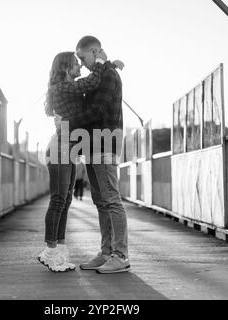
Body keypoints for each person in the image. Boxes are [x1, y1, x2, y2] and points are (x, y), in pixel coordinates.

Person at [37, 50, 117, 272]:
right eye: (75, 64)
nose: (79, 67)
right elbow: (91, 82)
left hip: (69, 148)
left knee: (66, 200)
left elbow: (89, 83)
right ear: (64, 68)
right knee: (58, 200)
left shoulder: (67, 87)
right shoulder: (62, 87)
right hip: (60, 147)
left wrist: (110, 64)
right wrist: (102, 61)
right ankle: (49, 250)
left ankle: (59, 251)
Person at [59, 36, 130, 274]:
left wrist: (67, 123)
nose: (81, 62)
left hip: (105, 142)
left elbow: (97, 110)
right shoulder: (101, 74)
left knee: (111, 199)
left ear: (95, 51)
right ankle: (107, 252)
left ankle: (120, 256)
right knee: (100, 201)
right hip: (92, 143)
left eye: (82, 57)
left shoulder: (108, 76)